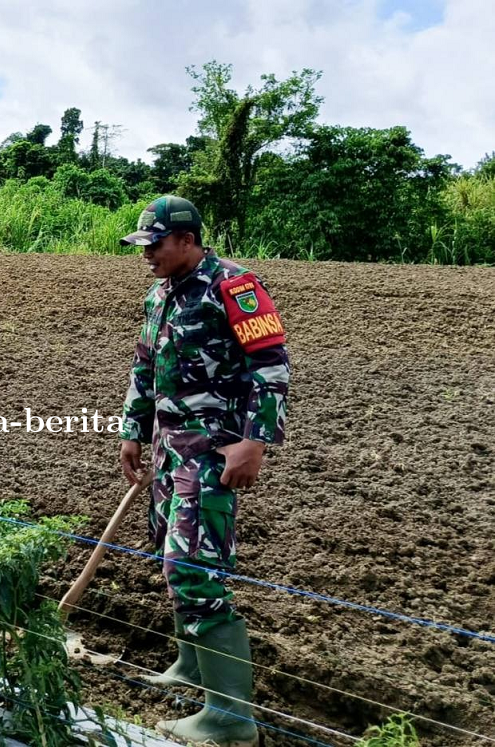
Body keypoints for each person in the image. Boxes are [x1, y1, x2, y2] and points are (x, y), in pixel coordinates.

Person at [118, 196, 289, 747]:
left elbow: (272, 365)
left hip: (213, 452)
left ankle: (230, 719)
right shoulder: (160, 293)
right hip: (169, 449)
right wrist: (132, 430)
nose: (147, 256)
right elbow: (145, 366)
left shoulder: (236, 287)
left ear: (187, 241)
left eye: (155, 246)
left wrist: (255, 441)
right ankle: (192, 666)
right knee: (168, 558)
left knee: (194, 567)